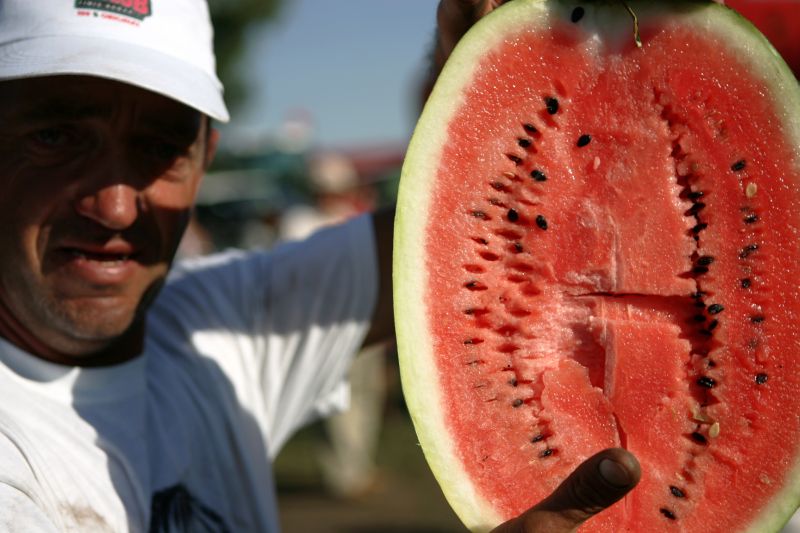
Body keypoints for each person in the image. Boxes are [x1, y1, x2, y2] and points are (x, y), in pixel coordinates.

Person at [0, 0, 640, 532]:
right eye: (55, 137)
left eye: (160, 148)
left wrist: (478, 65)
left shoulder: (209, 323)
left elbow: (483, 236)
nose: (114, 207)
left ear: (204, 157)